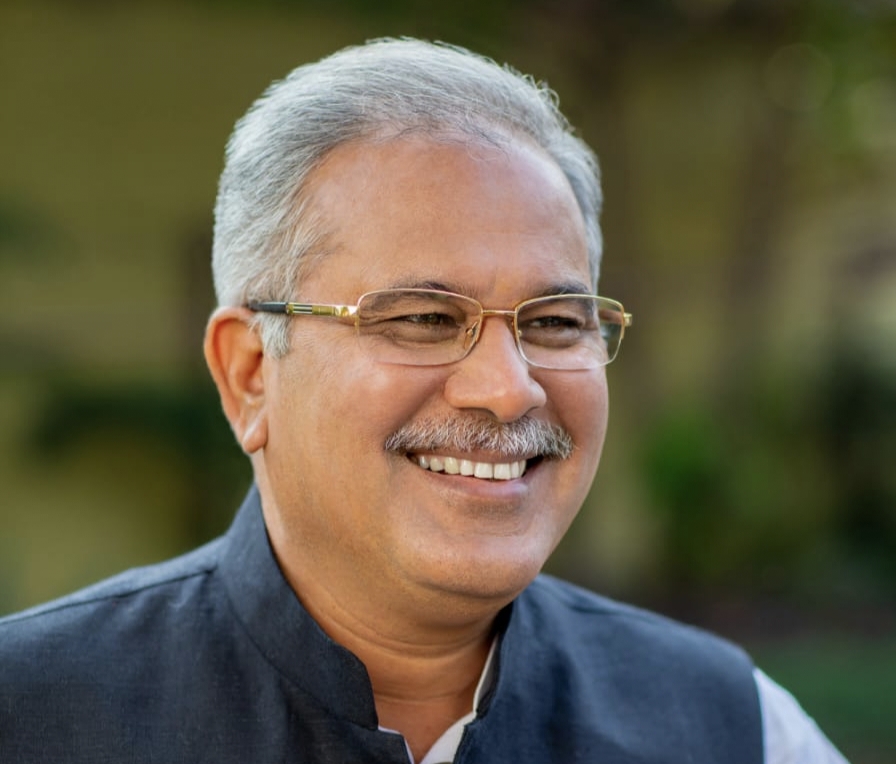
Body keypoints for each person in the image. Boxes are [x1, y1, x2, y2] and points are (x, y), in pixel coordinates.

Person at [0, 38, 848, 763]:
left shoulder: (732, 726)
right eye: (423, 319)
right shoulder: (34, 714)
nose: (508, 389)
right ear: (251, 372)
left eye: (555, 322)